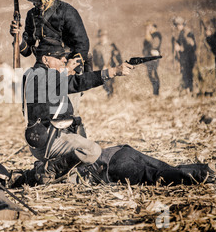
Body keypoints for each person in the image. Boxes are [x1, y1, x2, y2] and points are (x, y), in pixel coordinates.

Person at [19, 44, 134, 185]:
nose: (63, 60)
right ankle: (49, 169)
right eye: (58, 57)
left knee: (73, 179)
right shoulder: (41, 75)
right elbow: (65, 83)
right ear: (45, 59)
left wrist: (111, 71)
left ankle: (39, 173)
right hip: (48, 141)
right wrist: (66, 70)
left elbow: (74, 83)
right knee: (92, 151)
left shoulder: (39, 74)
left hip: (46, 138)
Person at [10, 0, 91, 136]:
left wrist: (69, 69)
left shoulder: (67, 12)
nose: (39, 4)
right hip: (43, 74)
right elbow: (26, 50)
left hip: (67, 70)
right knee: (44, 117)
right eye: (36, 0)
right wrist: (17, 37)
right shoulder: (32, 16)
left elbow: (82, 45)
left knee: (67, 116)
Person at [11, 144, 216, 187]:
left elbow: (43, 178)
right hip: (121, 150)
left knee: (159, 175)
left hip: (114, 166)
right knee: (168, 168)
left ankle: (207, 173)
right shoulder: (60, 157)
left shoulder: (50, 172)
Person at [92, 29, 123, 97]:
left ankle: (112, 94)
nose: (102, 37)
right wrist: (97, 65)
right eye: (100, 36)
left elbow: (118, 55)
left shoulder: (111, 45)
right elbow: (94, 59)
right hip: (102, 68)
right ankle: (110, 94)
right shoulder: (96, 47)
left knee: (111, 81)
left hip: (111, 66)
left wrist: (120, 63)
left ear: (106, 36)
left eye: (103, 36)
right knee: (104, 83)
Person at [171, 16, 197, 94]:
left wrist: (181, 48)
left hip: (189, 57)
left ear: (183, 24)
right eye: (177, 25)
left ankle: (190, 90)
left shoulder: (187, 32)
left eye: (179, 25)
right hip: (184, 58)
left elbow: (192, 45)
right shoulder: (181, 33)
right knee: (185, 74)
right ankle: (187, 90)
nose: (178, 27)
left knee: (188, 74)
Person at [142, 20, 162, 96]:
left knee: (153, 74)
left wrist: (147, 32)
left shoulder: (156, 34)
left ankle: (156, 93)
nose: (146, 28)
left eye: (148, 26)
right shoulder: (151, 34)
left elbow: (153, 45)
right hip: (148, 58)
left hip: (153, 58)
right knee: (150, 74)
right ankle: (155, 92)